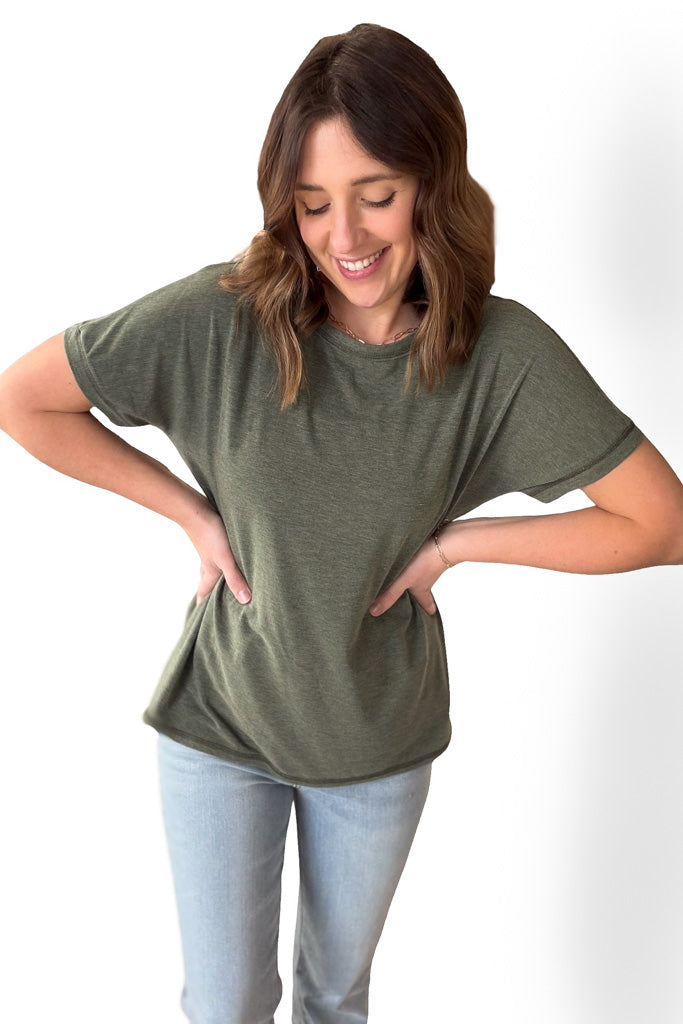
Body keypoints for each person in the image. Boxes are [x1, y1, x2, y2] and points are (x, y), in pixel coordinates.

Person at [0, 21, 681, 1024]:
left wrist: (457, 544)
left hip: (377, 737)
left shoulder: (499, 357)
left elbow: (657, 523)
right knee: (225, 1003)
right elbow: (26, 399)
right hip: (221, 718)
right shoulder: (221, 319)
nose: (345, 237)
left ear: (431, 185)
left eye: (376, 195)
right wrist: (189, 511)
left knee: (331, 998)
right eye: (313, 205)